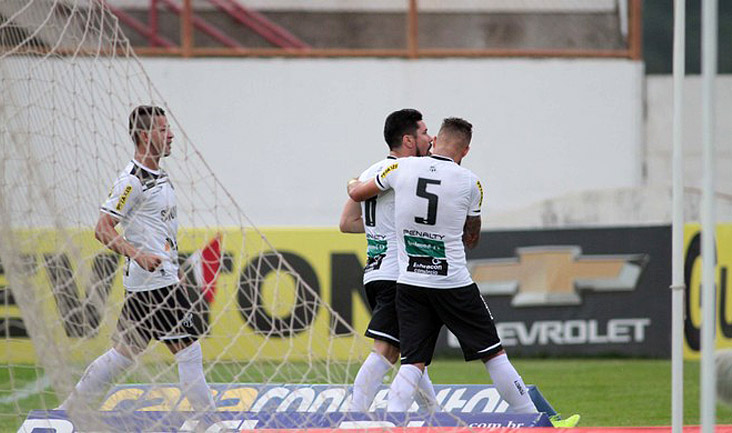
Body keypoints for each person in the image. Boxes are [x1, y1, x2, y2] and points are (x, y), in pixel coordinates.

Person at [348, 117, 575, 422]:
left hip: (410, 282)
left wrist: (353, 183)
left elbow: (358, 193)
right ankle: (533, 421)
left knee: (412, 362)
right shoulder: (470, 181)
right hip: (452, 282)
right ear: (465, 150)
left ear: (437, 140)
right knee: (493, 354)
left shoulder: (400, 169)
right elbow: (472, 238)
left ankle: (393, 422)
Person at [57, 105, 215, 413]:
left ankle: (67, 410)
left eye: (168, 128)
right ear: (144, 136)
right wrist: (138, 254)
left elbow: (157, 231)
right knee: (189, 351)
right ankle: (209, 421)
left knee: (124, 353)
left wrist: (172, 266)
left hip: (154, 279)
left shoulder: (159, 175)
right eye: (162, 129)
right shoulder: (133, 180)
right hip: (155, 284)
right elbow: (102, 228)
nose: (170, 135)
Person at [339, 109, 438, 412]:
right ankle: (354, 415)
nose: (430, 138)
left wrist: (380, 229)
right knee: (387, 350)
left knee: (412, 351)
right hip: (398, 275)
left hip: (375, 271)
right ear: (408, 140)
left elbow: (347, 222)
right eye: (424, 133)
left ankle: (434, 415)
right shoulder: (407, 172)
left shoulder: (371, 172)